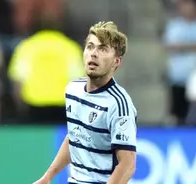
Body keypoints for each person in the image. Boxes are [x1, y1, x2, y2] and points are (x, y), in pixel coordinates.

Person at [32, 21, 137, 184]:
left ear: (116, 62)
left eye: (102, 49)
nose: (93, 54)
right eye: (90, 46)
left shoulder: (119, 104)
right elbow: (76, 137)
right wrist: (48, 177)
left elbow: (128, 164)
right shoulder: (73, 89)